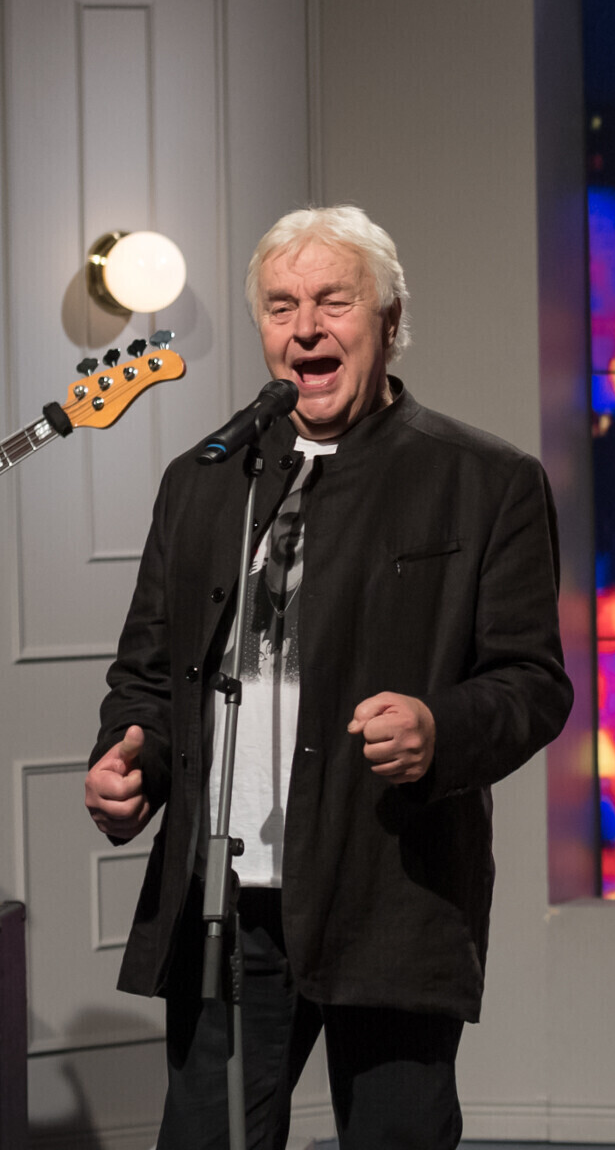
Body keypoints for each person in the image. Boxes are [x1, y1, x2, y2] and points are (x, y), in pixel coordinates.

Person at [81, 205, 573, 1148]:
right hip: (225, 902)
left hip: (389, 891)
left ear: (389, 319)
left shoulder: (484, 479)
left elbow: (532, 682)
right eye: (281, 306)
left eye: (332, 301)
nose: (305, 327)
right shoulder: (205, 479)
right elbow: (148, 670)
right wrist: (128, 756)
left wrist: (440, 729)